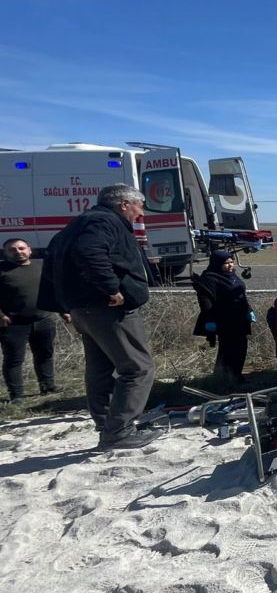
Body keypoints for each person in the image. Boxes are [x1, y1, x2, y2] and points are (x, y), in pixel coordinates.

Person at [38, 184, 159, 450]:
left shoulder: (78, 223)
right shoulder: (104, 221)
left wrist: (63, 301)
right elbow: (88, 252)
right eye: (139, 206)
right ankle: (119, 432)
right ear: (123, 204)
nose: (141, 214)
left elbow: (53, 257)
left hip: (83, 308)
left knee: (100, 367)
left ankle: (108, 424)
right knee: (137, 368)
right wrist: (111, 288)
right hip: (108, 309)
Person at [0, 238, 69, 401]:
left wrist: (63, 310)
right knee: (14, 359)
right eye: (12, 250)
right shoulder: (2, 270)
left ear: (29, 250)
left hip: (43, 320)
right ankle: (17, 395)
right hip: (13, 323)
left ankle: (48, 387)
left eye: (21, 248)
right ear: (6, 253)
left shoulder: (41, 267)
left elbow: (52, 291)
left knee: (45, 355)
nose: (18, 252)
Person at [192, 250, 254, 385]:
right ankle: (223, 378)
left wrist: (249, 310)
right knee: (228, 348)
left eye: (232, 262)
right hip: (224, 321)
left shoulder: (232, 276)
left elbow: (241, 294)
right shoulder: (209, 279)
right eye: (226, 263)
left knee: (241, 347)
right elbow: (206, 303)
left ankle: (236, 375)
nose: (231, 266)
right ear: (217, 263)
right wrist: (210, 321)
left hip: (240, 319)